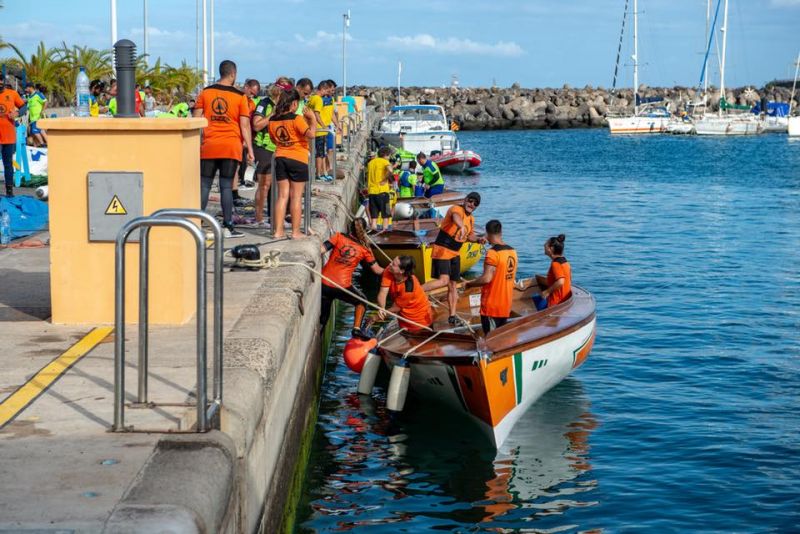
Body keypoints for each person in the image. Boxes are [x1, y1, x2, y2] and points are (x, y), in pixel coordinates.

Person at [192, 59, 254, 239]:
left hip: (209, 145)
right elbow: (244, 126)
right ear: (233, 74)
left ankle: (196, 224)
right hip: (231, 146)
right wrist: (250, 149)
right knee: (226, 186)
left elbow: (197, 119)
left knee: (204, 184)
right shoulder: (240, 96)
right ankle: (228, 226)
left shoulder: (206, 92)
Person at [422, 192, 485, 324]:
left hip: (455, 253)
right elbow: (456, 218)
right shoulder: (456, 209)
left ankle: (452, 316)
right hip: (443, 250)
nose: (471, 204)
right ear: (465, 200)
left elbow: (470, 236)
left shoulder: (471, 219)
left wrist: (478, 240)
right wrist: (461, 226)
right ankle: (416, 291)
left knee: (453, 285)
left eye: (475, 204)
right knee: (443, 281)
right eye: (470, 201)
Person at [267, 88, 316, 239]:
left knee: (282, 196)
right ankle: (295, 232)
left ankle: (278, 231)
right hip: (298, 158)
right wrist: (312, 119)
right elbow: (311, 135)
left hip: (280, 157)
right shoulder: (297, 119)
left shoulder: (273, 120)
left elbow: (274, 140)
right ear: (294, 104)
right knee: (296, 197)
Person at [319, 218, 384, 329]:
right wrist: (392, 270)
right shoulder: (364, 249)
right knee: (362, 302)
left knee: (323, 319)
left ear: (350, 228)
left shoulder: (338, 236)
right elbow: (377, 270)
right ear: (364, 231)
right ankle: (357, 330)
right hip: (342, 287)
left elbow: (321, 249)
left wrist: (315, 237)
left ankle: (321, 328)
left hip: (325, 282)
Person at [466, 220, 517, 333]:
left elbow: (486, 278)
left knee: (490, 341)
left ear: (487, 233)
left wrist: (469, 284)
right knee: (500, 337)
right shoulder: (512, 251)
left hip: (492, 307)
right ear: (501, 232)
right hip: (505, 305)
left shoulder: (493, 253)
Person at [251, 83, 282, 230]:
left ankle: (273, 217)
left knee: (276, 185)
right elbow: (256, 125)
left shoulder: (286, 105)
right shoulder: (264, 104)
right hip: (263, 147)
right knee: (264, 184)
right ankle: (259, 218)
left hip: (278, 148)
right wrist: (273, 114)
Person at [377, 255, 434, 333]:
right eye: (392, 262)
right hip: (403, 319)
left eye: (393, 264)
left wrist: (376, 317)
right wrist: (381, 309)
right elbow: (383, 292)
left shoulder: (408, 288)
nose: (390, 264)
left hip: (418, 322)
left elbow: (395, 308)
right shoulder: (389, 270)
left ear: (402, 271)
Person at [0, 78, 25, 197]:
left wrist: (17, 113)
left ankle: (9, 191)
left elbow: (24, 107)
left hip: (8, 136)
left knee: (8, 164)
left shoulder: (12, 94)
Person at [236, 78, 261, 193]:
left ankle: (245, 180)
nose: (252, 96)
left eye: (254, 95)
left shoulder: (251, 103)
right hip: (236, 134)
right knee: (236, 163)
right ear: (246, 87)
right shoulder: (238, 98)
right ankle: (233, 188)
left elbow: (249, 122)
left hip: (247, 134)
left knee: (247, 159)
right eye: (251, 93)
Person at [536, 234, 572, 309]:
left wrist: (546, 292)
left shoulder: (556, 264)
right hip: (564, 301)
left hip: (555, 303)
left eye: (546, 244)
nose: (544, 245)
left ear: (551, 248)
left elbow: (560, 282)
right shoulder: (565, 262)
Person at [307, 80, 331, 181]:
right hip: (319, 130)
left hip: (312, 129)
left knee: (318, 152)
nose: (328, 93)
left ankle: (320, 173)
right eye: (327, 91)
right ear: (323, 89)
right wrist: (323, 125)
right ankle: (319, 174)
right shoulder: (319, 99)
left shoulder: (311, 98)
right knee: (320, 153)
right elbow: (316, 114)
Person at [366, 146, 393, 231]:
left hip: (372, 192)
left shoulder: (371, 162)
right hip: (383, 192)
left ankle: (373, 230)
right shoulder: (385, 161)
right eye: (389, 156)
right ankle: (385, 230)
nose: (389, 158)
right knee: (386, 214)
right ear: (386, 155)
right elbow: (390, 170)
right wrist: (385, 179)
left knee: (374, 215)